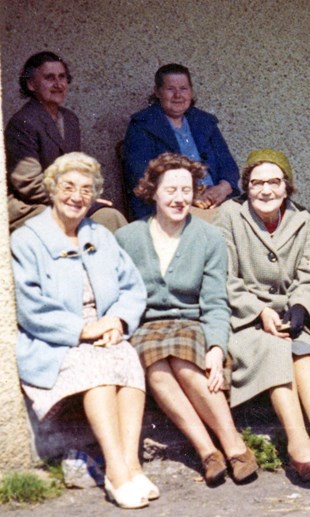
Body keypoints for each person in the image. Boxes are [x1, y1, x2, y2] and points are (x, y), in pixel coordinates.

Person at [12, 152, 154, 509]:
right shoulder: (27, 239)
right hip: (57, 339)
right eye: (69, 187)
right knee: (100, 373)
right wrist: (84, 330)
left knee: (127, 361)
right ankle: (118, 471)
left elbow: (132, 288)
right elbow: (31, 308)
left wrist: (118, 321)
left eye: (86, 190)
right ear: (52, 189)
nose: (77, 196)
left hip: (106, 330)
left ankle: (132, 465)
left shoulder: (100, 235)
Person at [116, 153, 257, 486]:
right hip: (147, 326)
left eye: (186, 190)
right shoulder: (128, 238)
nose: (180, 198)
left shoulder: (208, 238)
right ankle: (208, 451)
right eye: (171, 190)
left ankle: (235, 446)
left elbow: (215, 302)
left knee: (187, 367)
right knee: (157, 369)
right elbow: (120, 294)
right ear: (152, 191)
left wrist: (217, 348)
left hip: (191, 322)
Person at [216, 149, 310, 480]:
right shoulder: (229, 215)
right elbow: (224, 278)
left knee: (305, 352)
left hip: (287, 314)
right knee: (274, 348)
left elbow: (309, 278)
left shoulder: (301, 219)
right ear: (246, 187)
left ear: (286, 186)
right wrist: (259, 311)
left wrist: (301, 308)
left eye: (274, 182)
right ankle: (299, 445)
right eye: (257, 182)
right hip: (245, 318)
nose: (266, 190)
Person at [6, 51, 127, 231]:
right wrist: (76, 197)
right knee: (84, 226)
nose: (58, 84)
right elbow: (28, 183)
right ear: (31, 84)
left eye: (62, 77)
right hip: (31, 206)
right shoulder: (23, 123)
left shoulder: (70, 119)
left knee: (110, 216)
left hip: (67, 200)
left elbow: (76, 169)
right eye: (49, 78)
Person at [123, 64, 239, 220]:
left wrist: (222, 189)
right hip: (170, 204)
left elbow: (228, 165)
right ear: (158, 92)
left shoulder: (205, 122)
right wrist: (188, 196)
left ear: (191, 92)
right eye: (170, 89)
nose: (178, 95)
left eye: (183, 89)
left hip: (216, 199)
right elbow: (141, 175)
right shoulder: (142, 125)